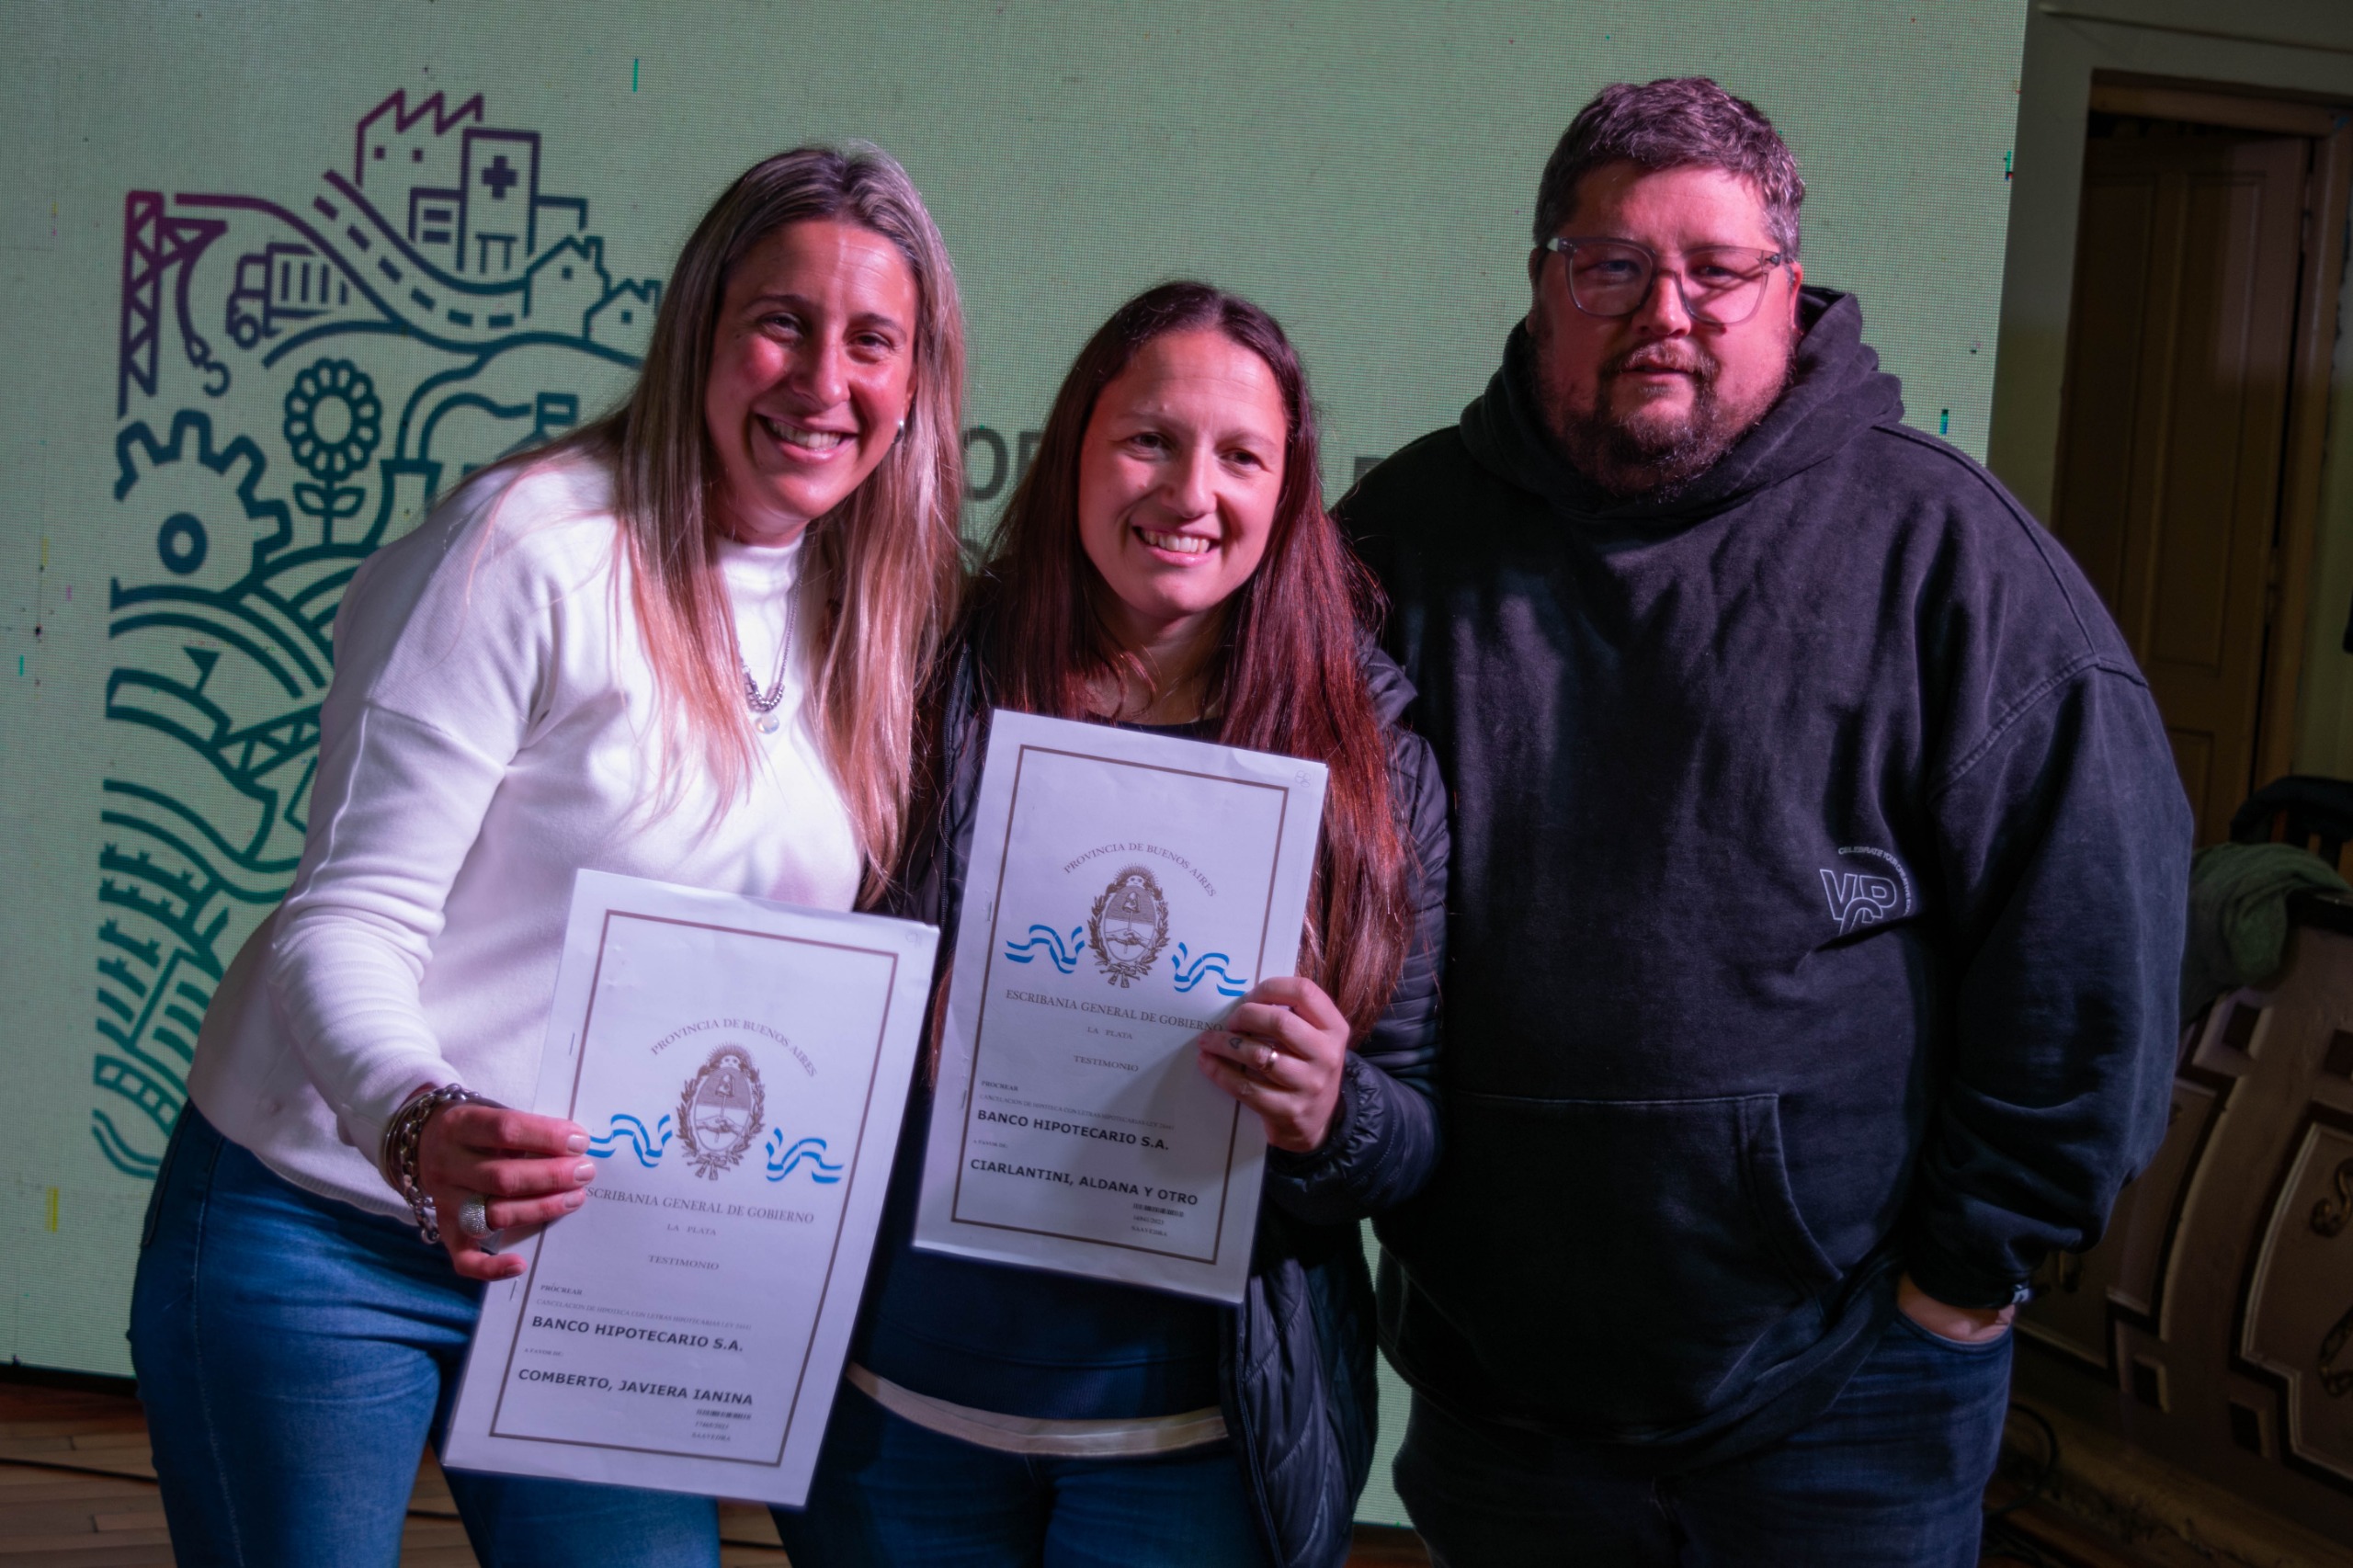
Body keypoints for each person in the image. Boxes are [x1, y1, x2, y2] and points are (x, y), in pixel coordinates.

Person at [1337, 78, 2191, 1567]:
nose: (1664, 311)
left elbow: (2090, 947)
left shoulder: (1949, 558)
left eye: (1716, 270)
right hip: (1500, 1390)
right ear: (1544, 282)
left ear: (1789, 288)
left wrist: (1966, 1278)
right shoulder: (1399, 539)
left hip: (1853, 1391)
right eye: (1613, 265)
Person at [129, 144, 967, 1567]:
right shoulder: (527, 547)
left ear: (917, 380)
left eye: (871, 341)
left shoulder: (879, 613)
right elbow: (346, 915)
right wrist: (417, 1120)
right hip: (327, 1219)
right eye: (781, 322)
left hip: (601, 1272)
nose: (825, 380)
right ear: (700, 326)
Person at [771, 281, 1449, 1568]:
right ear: (1074, 448)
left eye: (1241, 457)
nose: (1191, 492)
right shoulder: (924, 674)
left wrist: (1328, 1109)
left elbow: (1411, 1136)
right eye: (1150, 440)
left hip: (1188, 1448)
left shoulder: (1367, 756)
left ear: (1289, 491)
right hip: (895, 1420)